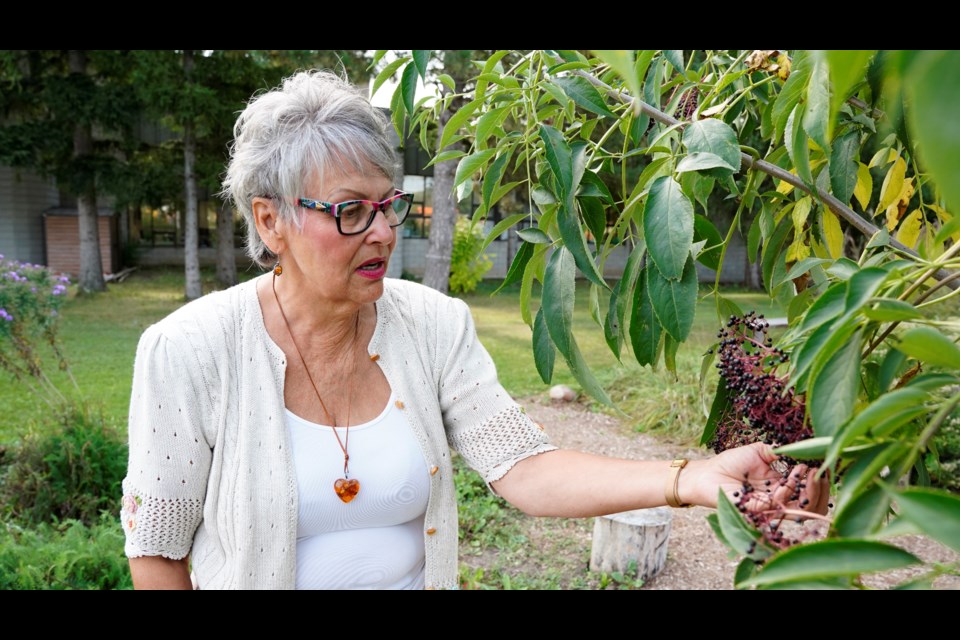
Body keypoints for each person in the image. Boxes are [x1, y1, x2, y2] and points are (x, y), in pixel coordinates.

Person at [121, 70, 826, 590]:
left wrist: (690, 478)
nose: (382, 233)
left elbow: (525, 468)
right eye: (349, 212)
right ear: (269, 219)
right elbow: (157, 552)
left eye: (389, 206)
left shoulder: (431, 325)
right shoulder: (191, 351)